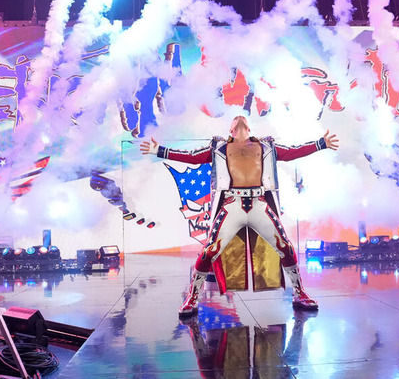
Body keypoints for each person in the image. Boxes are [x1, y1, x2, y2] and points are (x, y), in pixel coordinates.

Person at [140, 115, 339, 317]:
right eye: (234, 120)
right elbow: (192, 156)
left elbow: (293, 152)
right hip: (232, 205)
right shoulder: (219, 148)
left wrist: (321, 144)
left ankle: (299, 292)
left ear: (250, 128)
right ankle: (192, 297)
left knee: (285, 246)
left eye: (242, 119)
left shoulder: (266, 147)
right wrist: (159, 150)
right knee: (210, 250)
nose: (239, 118)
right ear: (231, 130)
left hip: (259, 203)